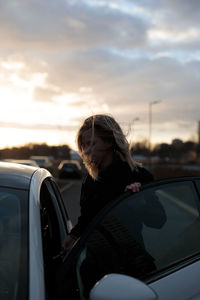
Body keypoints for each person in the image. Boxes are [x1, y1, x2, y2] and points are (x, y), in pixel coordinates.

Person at [61, 114, 154, 255]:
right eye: (84, 145)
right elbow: (87, 219)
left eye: (92, 143)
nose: (86, 150)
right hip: (95, 262)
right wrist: (73, 236)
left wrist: (139, 200)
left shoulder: (139, 176)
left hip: (131, 261)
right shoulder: (90, 180)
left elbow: (158, 221)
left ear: (109, 142)